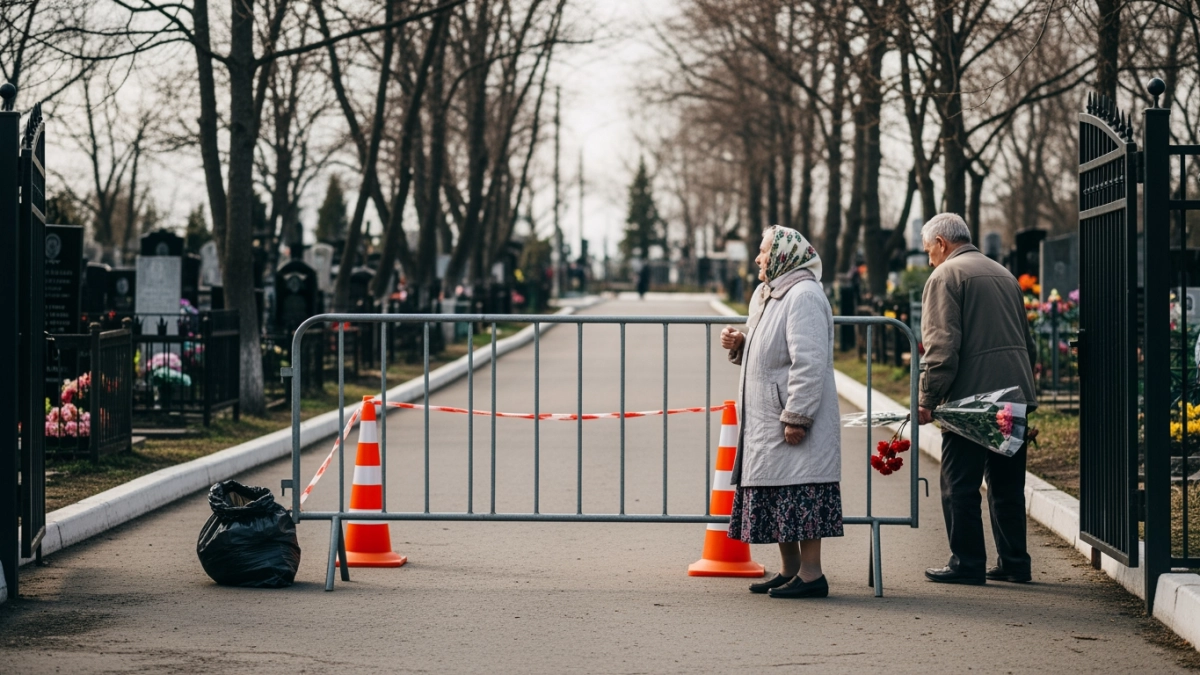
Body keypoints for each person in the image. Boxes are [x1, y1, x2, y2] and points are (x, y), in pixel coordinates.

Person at [720, 225, 843, 599]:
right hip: (766, 417)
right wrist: (741, 343)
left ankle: (811, 574)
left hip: (787, 415)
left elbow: (808, 362)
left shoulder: (803, 295)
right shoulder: (768, 293)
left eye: (763, 251)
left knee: (801, 492)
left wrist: (798, 416)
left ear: (783, 256)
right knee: (777, 495)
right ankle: (790, 570)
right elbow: (767, 348)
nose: (757, 258)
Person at [916, 213, 1038, 585]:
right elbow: (1026, 341)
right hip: (1011, 394)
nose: (929, 260)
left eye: (928, 252)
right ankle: (1015, 561)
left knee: (959, 484)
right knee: (1006, 484)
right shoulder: (1004, 274)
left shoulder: (945, 276)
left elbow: (941, 346)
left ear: (941, 243)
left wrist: (927, 397)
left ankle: (966, 562)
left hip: (972, 398)